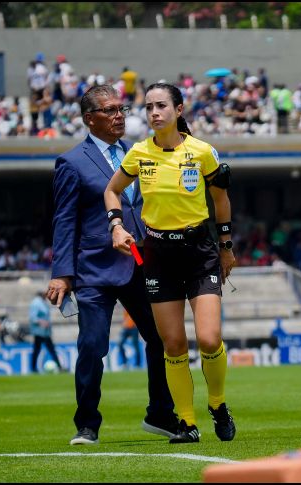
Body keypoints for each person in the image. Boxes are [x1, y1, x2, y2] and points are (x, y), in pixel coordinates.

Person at [104, 82, 237, 444]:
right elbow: (112, 190)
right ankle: (187, 422)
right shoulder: (137, 154)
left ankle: (218, 404)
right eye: (148, 107)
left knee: (209, 339)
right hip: (158, 255)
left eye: (161, 106)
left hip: (199, 252)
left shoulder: (202, 152)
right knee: (174, 344)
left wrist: (226, 246)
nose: (154, 113)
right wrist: (117, 226)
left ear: (179, 110)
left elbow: (220, 200)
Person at [47, 84, 179, 446]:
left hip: (139, 263)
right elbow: (64, 220)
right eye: (109, 110)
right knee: (92, 346)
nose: (119, 115)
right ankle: (87, 424)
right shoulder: (71, 162)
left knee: (162, 339)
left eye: (121, 108)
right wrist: (62, 273)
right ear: (90, 119)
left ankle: (160, 414)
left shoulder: (137, 153)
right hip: (93, 271)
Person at [29, 291, 63, 373]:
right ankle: (34, 368)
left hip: (45, 332)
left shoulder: (41, 302)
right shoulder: (36, 303)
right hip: (40, 332)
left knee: (44, 350)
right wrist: (42, 322)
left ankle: (34, 368)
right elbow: (33, 317)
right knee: (41, 350)